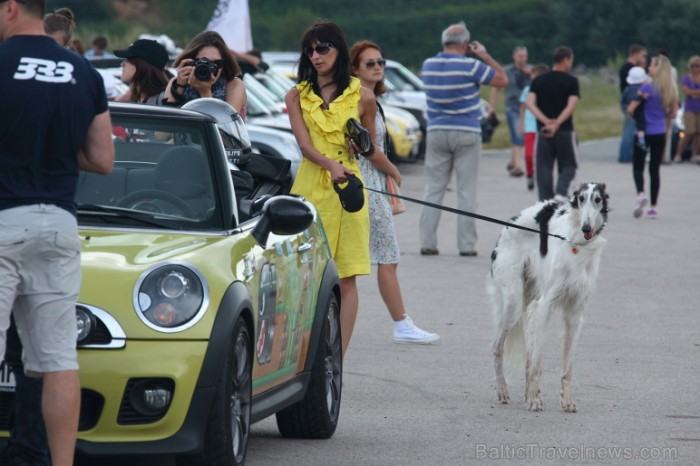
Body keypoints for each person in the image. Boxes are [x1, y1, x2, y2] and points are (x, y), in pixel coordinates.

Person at [0, 2, 115, 466]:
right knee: (58, 361)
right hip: (60, 224)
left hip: (5, 218)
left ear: (10, 8)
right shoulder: (84, 72)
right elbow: (103, 159)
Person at [285, 19, 374, 357]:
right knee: (304, 275)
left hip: (349, 188)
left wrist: (359, 148)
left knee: (347, 277)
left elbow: (371, 147)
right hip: (312, 182)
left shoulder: (362, 94)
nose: (316, 55)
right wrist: (331, 165)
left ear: (338, 49)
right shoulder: (296, 95)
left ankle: (337, 358)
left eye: (323, 48)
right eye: (310, 50)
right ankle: (302, 352)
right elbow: (305, 146)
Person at [349, 40, 440, 344]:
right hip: (367, 183)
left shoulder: (369, 97)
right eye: (370, 64)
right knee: (387, 256)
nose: (378, 67)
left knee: (379, 258)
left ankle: (401, 323)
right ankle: (401, 324)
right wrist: (394, 171)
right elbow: (368, 148)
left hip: (368, 182)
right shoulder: (361, 99)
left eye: (380, 62)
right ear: (354, 69)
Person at [419, 21, 507, 257]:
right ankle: (466, 245)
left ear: (444, 42)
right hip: (467, 131)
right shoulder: (471, 66)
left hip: (437, 131)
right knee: (466, 190)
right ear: (466, 45)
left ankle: (427, 242)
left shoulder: (428, 65)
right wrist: (484, 56)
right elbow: (502, 79)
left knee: (434, 188)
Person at [526, 46, 580, 202]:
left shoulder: (538, 80)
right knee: (570, 165)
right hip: (564, 131)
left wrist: (545, 121)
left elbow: (530, 104)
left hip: (543, 131)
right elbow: (571, 106)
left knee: (543, 167)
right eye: (571, 60)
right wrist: (556, 123)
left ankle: (545, 202)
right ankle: (561, 193)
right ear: (566, 60)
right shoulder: (571, 81)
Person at [627, 55, 678, 219]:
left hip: (643, 132)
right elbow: (673, 113)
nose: (649, 68)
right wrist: (661, 114)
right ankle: (653, 207)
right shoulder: (671, 90)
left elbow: (631, 109)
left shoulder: (647, 88)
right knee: (654, 169)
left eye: (651, 65)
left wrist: (636, 112)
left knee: (638, 166)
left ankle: (641, 193)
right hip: (660, 132)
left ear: (658, 68)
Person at [165, 30, 246, 116]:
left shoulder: (234, 85)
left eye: (216, 63)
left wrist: (205, 93)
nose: (209, 68)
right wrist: (179, 87)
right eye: (203, 62)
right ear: (191, 62)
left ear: (223, 66)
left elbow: (225, 124)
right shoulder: (177, 82)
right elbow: (168, 120)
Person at [489, 45, 530, 178]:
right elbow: (495, 88)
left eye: (524, 56)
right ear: (514, 56)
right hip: (512, 106)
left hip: (527, 108)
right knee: (517, 134)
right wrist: (492, 106)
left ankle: (513, 162)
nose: (522, 59)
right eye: (520, 56)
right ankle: (517, 167)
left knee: (521, 135)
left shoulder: (530, 71)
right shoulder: (506, 71)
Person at [518, 63, 549, 191]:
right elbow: (523, 107)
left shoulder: (548, 90)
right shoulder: (527, 89)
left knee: (543, 156)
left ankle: (543, 177)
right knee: (529, 154)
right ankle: (530, 173)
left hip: (542, 126)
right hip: (530, 125)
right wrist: (520, 123)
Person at [114, 38, 170, 104]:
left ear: (142, 65)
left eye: (129, 58)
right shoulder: (137, 98)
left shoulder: (163, 99)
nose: (122, 64)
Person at [618, 45, 648, 163]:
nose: (644, 58)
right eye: (643, 55)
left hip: (628, 101)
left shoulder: (627, 68)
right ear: (635, 54)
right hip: (631, 102)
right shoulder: (629, 69)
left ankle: (628, 154)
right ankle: (625, 156)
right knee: (630, 129)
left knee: (631, 127)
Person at [673, 55, 700, 163]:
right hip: (689, 108)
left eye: (697, 66)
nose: (695, 68)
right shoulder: (686, 78)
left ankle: (695, 154)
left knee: (698, 133)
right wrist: (696, 92)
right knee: (688, 132)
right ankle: (678, 154)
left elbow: (690, 92)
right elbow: (686, 92)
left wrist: (692, 93)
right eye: (693, 66)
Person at [622, 66, 650, 152]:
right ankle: (641, 140)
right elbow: (635, 101)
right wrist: (642, 96)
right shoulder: (638, 90)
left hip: (626, 107)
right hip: (638, 111)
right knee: (640, 126)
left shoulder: (627, 89)